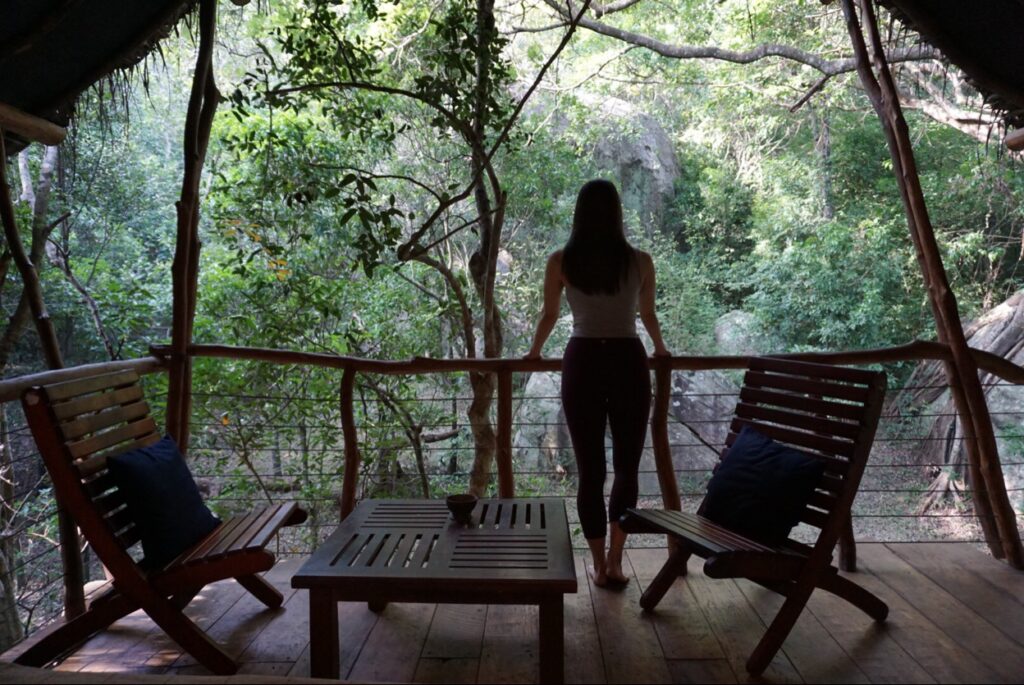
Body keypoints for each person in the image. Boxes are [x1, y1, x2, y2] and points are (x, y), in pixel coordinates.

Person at [525, 179, 670, 589]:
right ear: (618, 214)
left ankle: (596, 561)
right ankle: (616, 561)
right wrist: (660, 349)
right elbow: (648, 316)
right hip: (628, 360)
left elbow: (548, 316)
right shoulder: (640, 261)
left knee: (590, 469)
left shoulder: (561, 261)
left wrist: (534, 354)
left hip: (583, 361)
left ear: (579, 214)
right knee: (626, 467)